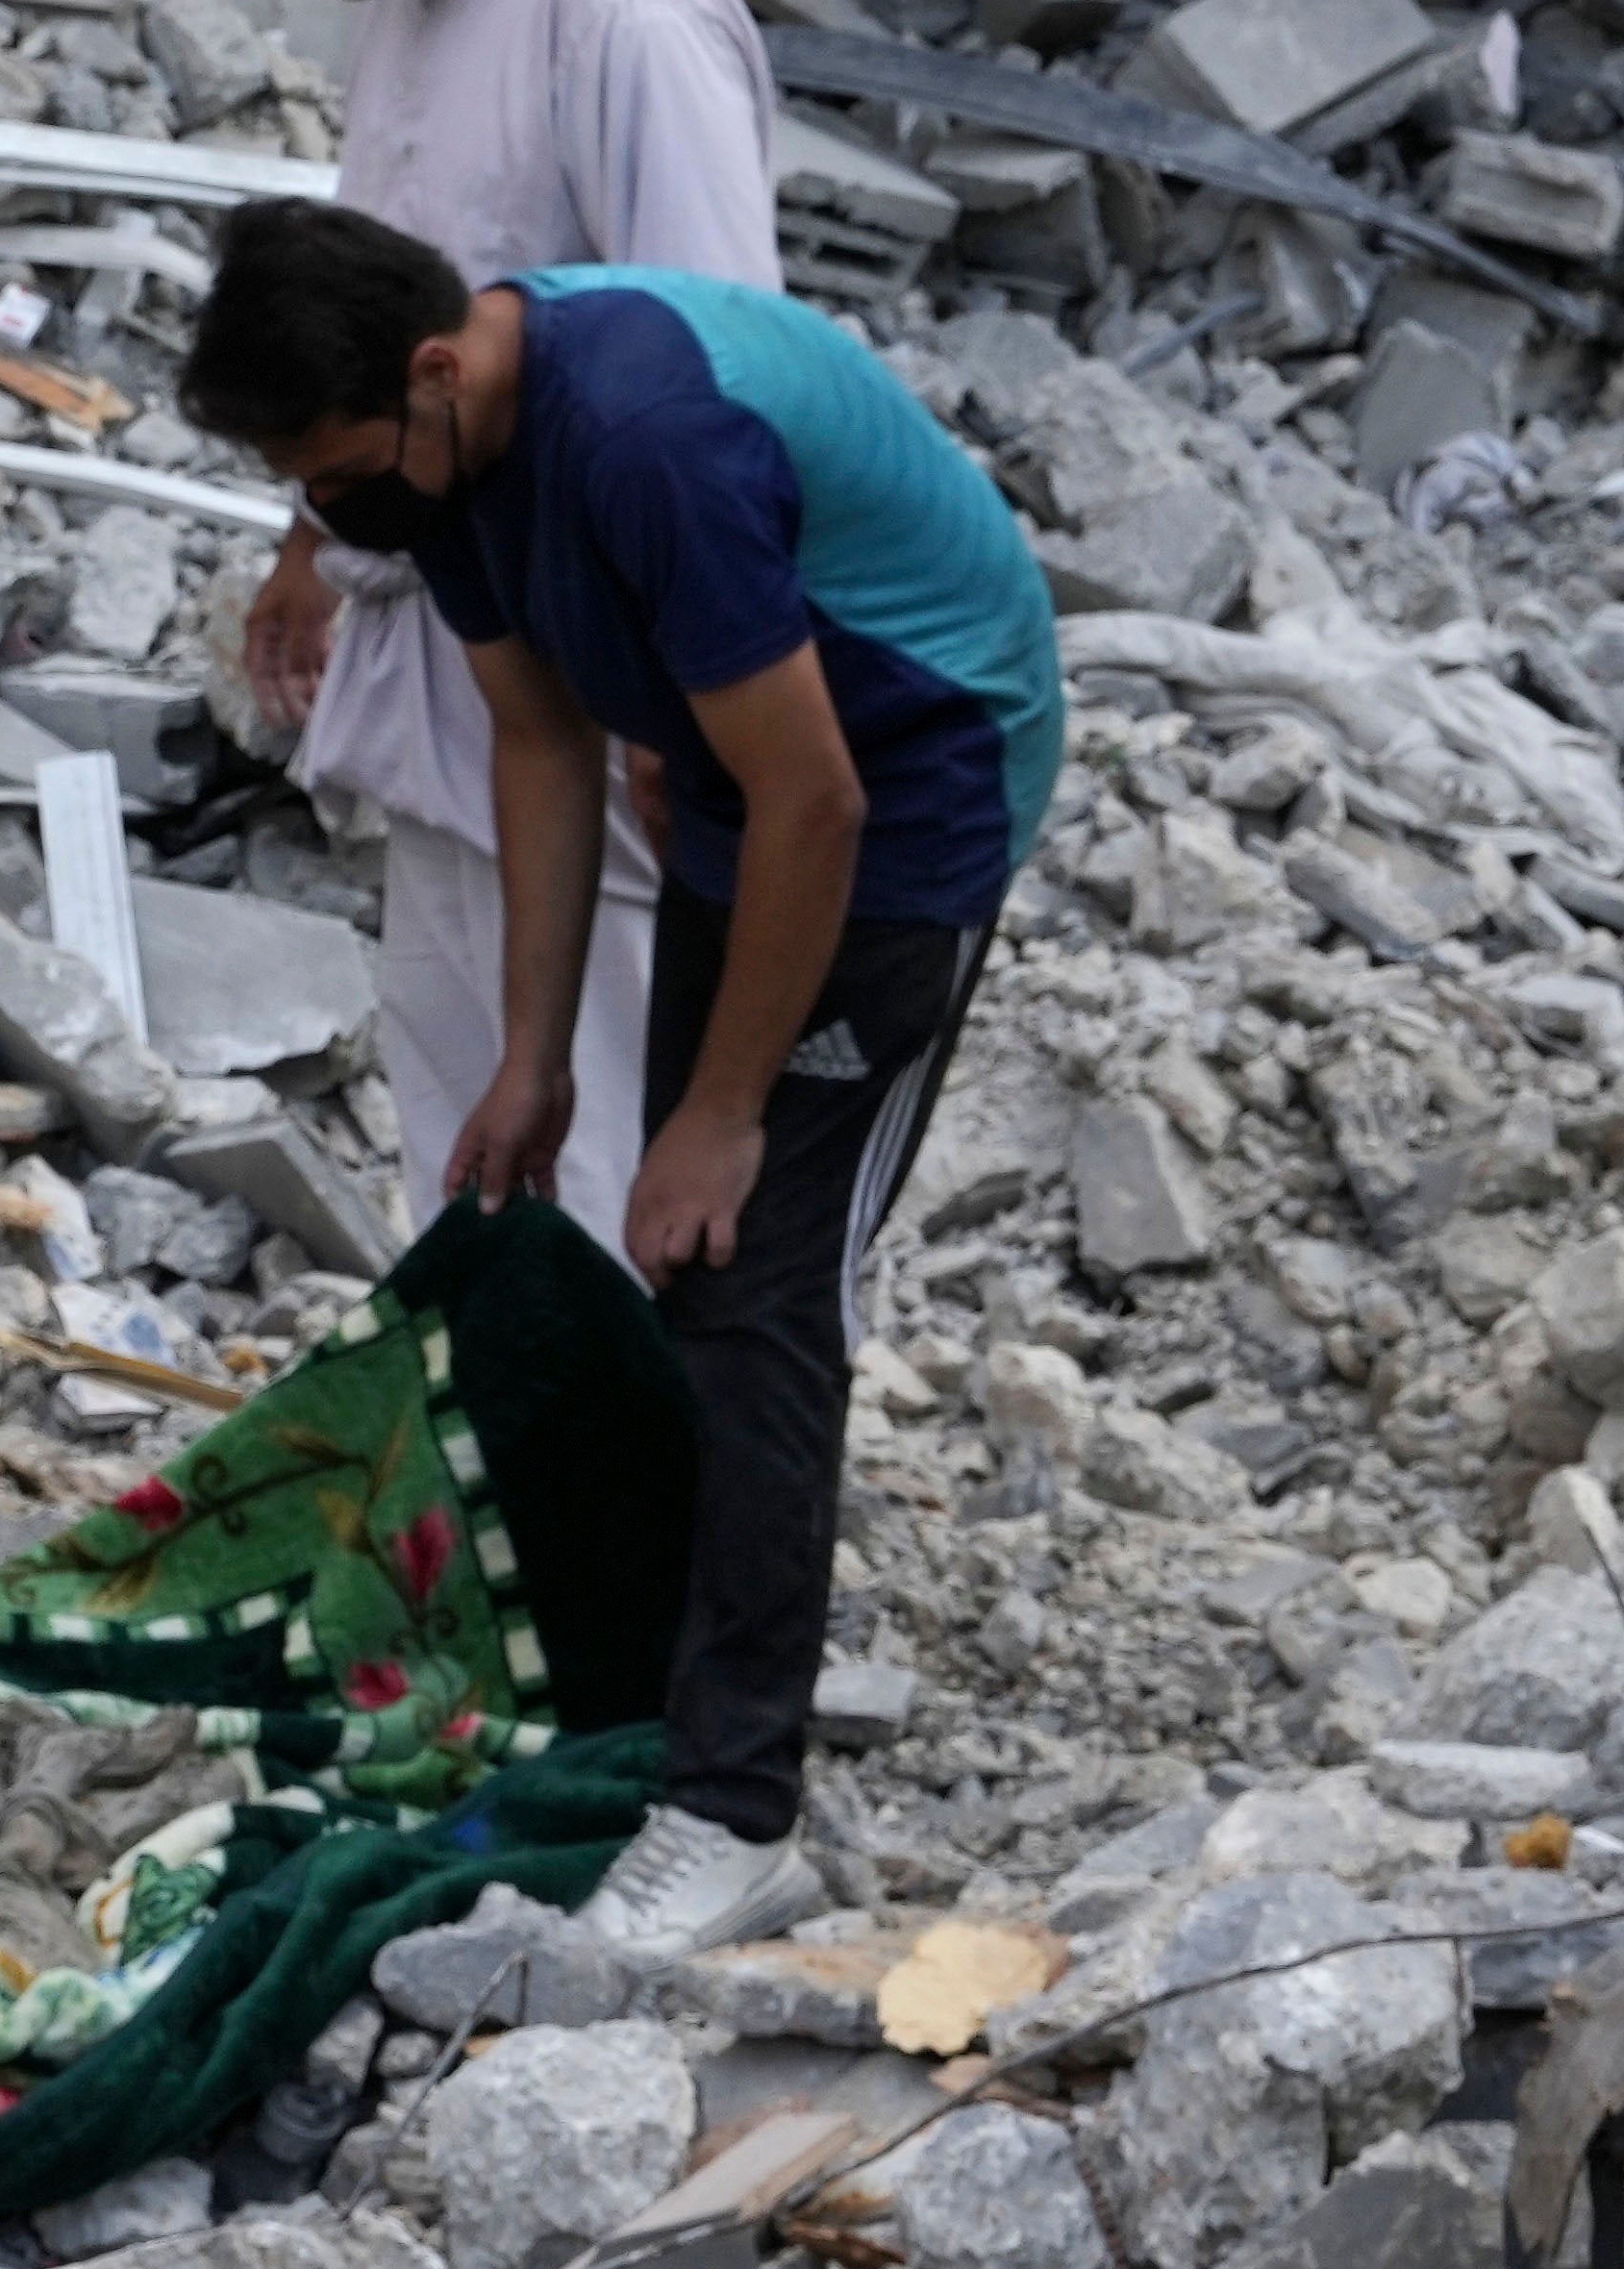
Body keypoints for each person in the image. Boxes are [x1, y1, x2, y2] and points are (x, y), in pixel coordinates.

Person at [175, 200, 1059, 1961]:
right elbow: (541, 736)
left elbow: (823, 800)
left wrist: (722, 1114)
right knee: (673, 1256)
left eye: (338, 474)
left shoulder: (647, 441)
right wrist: (532, 1059)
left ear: (435, 371)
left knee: (755, 1280)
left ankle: (737, 1814)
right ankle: (670, 1687)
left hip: (909, 784)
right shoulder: (455, 457)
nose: (335, 517)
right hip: (748, 780)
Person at [220, 0, 786, 1249]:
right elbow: (375, 316)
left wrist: (681, 714)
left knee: (604, 1152)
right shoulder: (408, 2)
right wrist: (317, 541)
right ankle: (490, 1400)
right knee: (465, 1141)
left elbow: (722, 382)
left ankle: (619, 1409)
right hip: (460, 666)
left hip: (597, 694)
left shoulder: (625, 10)